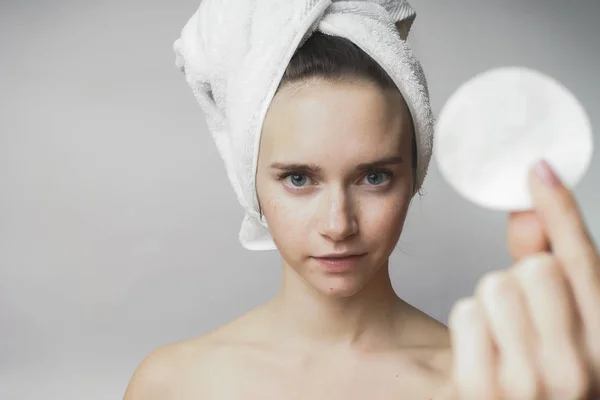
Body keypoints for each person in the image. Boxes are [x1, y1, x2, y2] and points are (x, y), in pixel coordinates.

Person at [123, 5, 600, 400]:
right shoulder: (172, 383)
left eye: (374, 177)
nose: (338, 224)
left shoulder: (494, 383)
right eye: (298, 178)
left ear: (415, 175)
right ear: (250, 184)